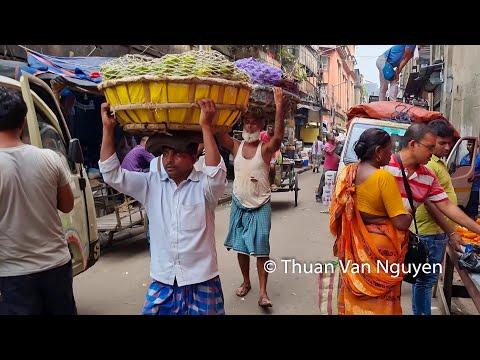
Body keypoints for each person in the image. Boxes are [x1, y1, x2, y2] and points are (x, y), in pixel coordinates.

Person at [98, 98, 227, 315]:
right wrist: (108, 129)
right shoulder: (150, 184)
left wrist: (206, 127)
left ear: (193, 157)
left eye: (177, 154)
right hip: (164, 280)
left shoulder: (206, 188)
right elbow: (112, 174)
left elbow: (217, 174)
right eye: (166, 153)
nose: (169, 160)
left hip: (201, 279)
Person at [0, 86, 76, 315]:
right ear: (23, 122)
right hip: (56, 266)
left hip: (14, 274)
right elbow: (67, 205)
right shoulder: (50, 158)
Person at [330, 128, 412, 315]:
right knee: (381, 306)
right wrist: (409, 213)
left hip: (354, 248)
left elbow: (344, 211)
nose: (391, 155)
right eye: (389, 150)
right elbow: (400, 222)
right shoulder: (383, 177)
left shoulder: (348, 173)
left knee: (357, 300)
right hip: (380, 251)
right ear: (378, 152)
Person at [217, 86, 286, 308]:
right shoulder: (236, 146)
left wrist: (279, 106)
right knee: (241, 247)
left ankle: (263, 292)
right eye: (246, 121)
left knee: (261, 249)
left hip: (261, 204)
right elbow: (220, 133)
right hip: (239, 203)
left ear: (261, 127)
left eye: (254, 122)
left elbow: (279, 136)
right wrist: (227, 103)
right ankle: (246, 282)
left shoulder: (265, 149)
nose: (249, 125)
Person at [384, 123, 480, 252]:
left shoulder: (428, 177)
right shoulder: (384, 167)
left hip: (400, 245)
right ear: (413, 145)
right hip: (374, 243)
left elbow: (447, 205)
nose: (432, 152)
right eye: (430, 147)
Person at [412, 119, 465, 315]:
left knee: (426, 280)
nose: (447, 147)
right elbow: (432, 204)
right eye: (442, 143)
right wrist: (450, 231)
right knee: (425, 281)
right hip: (430, 232)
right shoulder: (429, 166)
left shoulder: (438, 162)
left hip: (437, 232)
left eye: (449, 143)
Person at [316, 132, 339, 202]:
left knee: (333, 183)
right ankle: (318, 196)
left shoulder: (333, 144)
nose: (333, 136)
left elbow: (335, 154)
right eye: (332, 135)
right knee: (323, 181)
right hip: (328, 167)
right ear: (328, 138)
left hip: (335, 166)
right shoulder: (327, 145)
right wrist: (336, 145)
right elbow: (330, 153)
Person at [460, 139, 480, 220]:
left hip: (474, 187)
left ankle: (472, 229)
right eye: (468, 144)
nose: (469, 146)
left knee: (472, 209)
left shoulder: (479, 158)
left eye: (471, 144)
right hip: (463, 188)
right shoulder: (464, 157)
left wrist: (475, 176)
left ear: (477, 146)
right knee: (464, 209)